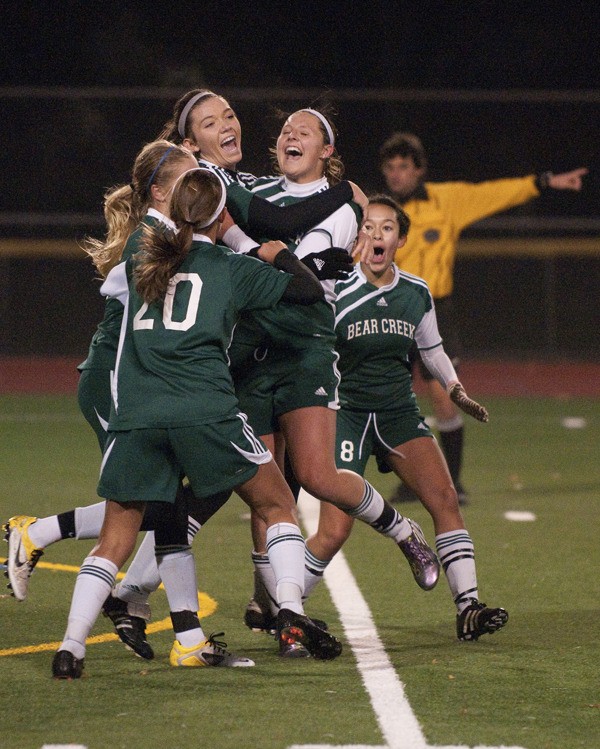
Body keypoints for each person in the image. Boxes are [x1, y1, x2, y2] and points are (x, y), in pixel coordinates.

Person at [51, 166, 343, 679]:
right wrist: (268, 250)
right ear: (221, 212)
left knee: (118, 538)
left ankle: (72, 647)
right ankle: (291, 610)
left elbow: (128, 269)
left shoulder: (142, 255)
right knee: (277, 502)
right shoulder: (229, 267)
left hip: (137, 416)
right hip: (204, 412)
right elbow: (309, 293)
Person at [215, 107, 440, 654]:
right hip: (254, 350)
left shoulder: (340, 203)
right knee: (269, 491)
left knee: (315, 474)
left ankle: (401, 530)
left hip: (307, 347)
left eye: (305, 131)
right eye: (286, 129)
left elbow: (305, 275)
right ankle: (280, 610)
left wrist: (258, 247)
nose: (291, 134)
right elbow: (239, 223)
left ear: (326, 152)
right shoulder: (259, 190)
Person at [301, 194, 508, 641]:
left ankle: (468, 607)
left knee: (446, 501)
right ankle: (289, 607)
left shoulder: (415, 292)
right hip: (347, 414)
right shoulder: (335, 290)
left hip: (397, 412)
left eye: (387, 228)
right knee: (334, 531)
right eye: (369, 227)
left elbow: (432, 351)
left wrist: (455, 389)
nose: (376, 235)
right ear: (359, 236)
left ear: (401, 239)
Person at [378, 132, 588, 504]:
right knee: (391, 400)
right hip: (389, 309)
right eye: (390, 168)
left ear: (420, 170)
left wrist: (543, 182)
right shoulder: (378, 210)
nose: (397, 175)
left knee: (444, 397)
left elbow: (496, 192)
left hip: (433, 312)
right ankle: (411, 480)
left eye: (404, 167)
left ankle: (452, 483)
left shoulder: (448, 200)